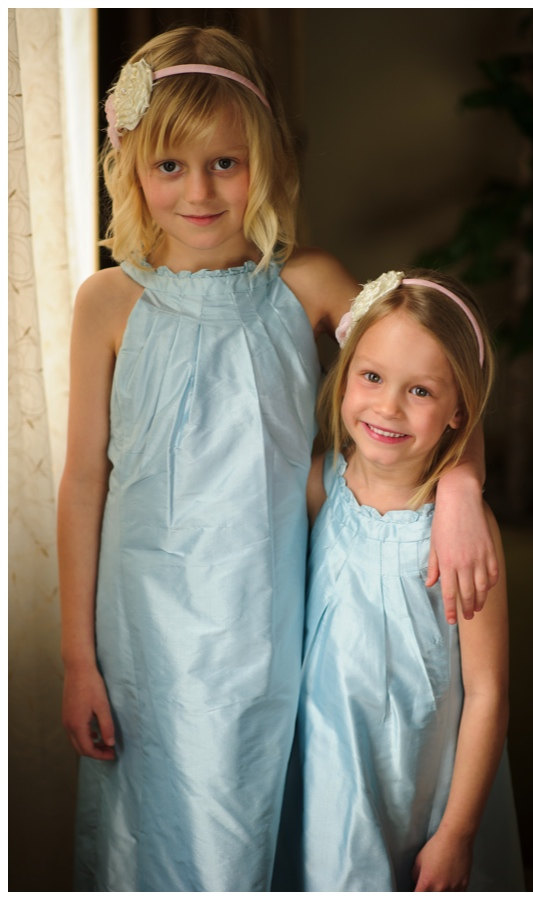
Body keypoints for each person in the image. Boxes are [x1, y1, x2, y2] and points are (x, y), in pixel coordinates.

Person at [57, 27, 494, 890]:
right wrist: (78, 658)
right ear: (132, 166)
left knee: (252, 811)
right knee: (158, 824)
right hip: (144, 619)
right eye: (171, 167)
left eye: (226, 162)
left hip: (270, 608)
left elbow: (439, 372)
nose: (200, 191)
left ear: (265, 159)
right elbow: (80, 482)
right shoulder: (107, 302)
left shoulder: (311, 284)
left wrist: (463, 487)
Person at [294, 270, 524, 890]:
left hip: (418, 773)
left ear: (459, 412)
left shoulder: (466, 535)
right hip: (326, 755)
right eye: (371, 377)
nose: (388, 407)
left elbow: (488, 693)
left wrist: (456, 834)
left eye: (420, 391)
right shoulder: (320, 487)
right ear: (344, 378)